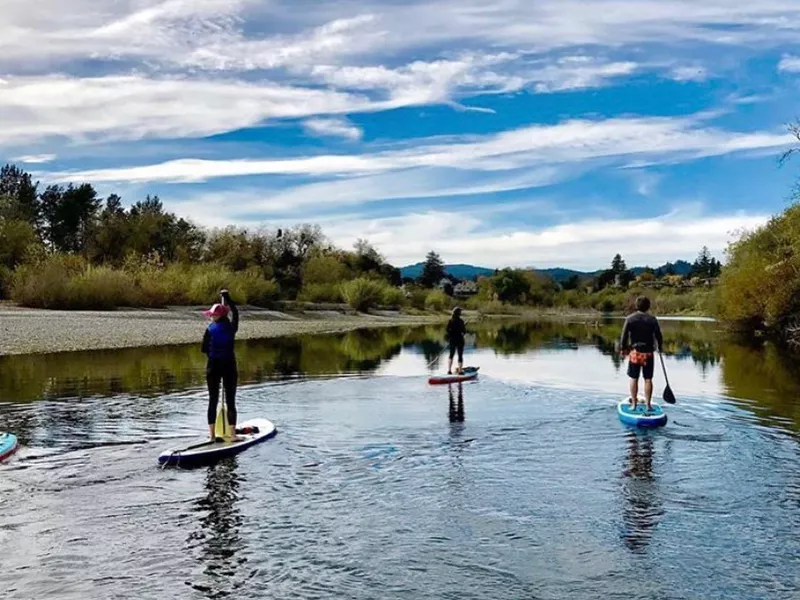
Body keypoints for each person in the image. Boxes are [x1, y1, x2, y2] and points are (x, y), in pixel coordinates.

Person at [201, 289, 239, 440]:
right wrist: (227, 298)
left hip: (213, 367)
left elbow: (203, 349)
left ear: (217, 315)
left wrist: (213, 353)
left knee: (212, 399)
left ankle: (211, 436)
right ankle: (233, 435)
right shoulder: (231, 328)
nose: (211, 317)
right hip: (229, 366)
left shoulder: (209, 329)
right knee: (230, 400)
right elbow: (235, 313)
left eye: (213, 315)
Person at [619, 296, 664, 411]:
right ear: (648, 306)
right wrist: (660, 347)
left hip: (635, 353)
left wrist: (623, 349)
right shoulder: (653, 319)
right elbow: (659, 336)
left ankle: (633, 404)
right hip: (648, 353)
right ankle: (648, 405)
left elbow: (623, 337)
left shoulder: (629, 319)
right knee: (648, 379)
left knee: (634, 378)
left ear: (636, 306)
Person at [446, 307, 467, 375]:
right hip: (460, 340)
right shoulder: (461, 321)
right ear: (459, 313)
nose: (461, 313)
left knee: (451, 355)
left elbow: (447, 330)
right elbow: (464, 332)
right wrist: (461, 331)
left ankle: (449, 370)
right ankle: (460, 371)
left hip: (452, 340)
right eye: (460, 312)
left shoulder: (450, 320)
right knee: (460, 355)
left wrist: (451, 336)